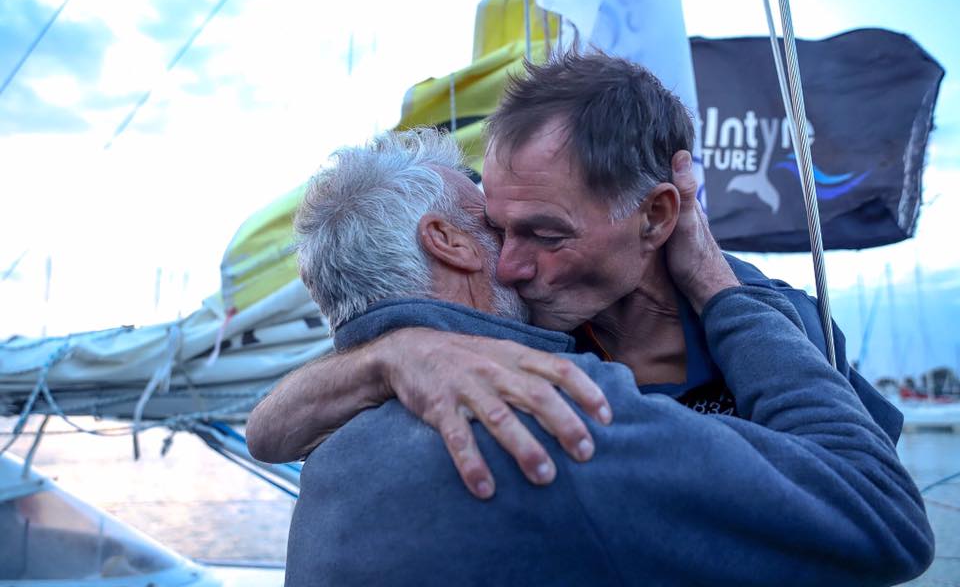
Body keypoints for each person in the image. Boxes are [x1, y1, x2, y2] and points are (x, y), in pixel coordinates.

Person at [282, 128, 932, 586]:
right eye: (499, 228)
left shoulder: (327, 447)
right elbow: (882, 516)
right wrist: (715, 286)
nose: (518, 258)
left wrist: (388, 351)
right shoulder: (553, 414)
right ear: (448, 241)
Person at [247, 52, 899, 501]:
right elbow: (269, 432)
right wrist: (392, 356)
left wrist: (719, 291)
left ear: (655, 217)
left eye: (545, 233)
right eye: (500, 227)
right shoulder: (518, 325)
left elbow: (870, 487)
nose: (507, 263)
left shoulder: (774, 317)